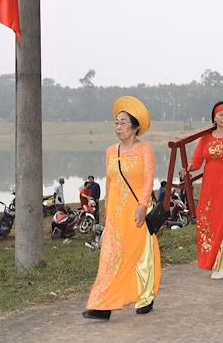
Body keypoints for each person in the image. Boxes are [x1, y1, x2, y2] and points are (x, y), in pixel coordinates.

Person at [83, 96, 160, 320]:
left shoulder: (145, 150)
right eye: (116, 122)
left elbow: (148, 180)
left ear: (135, 127)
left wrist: (142, 206)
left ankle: (146, 297)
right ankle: (102, 304)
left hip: (137, 210)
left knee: (141, 255)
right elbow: (109, 182)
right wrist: (106, 210)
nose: (118, 127)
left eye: (124, 122)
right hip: (116, 213)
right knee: (110, 256)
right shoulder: (110, 151)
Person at [181, 101, 223, 280]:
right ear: (214, 117)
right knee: (208, 222)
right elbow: (197, 161)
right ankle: (210, 261)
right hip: (209, 187)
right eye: (221, 114)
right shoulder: (205, 139)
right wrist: (188, 169)